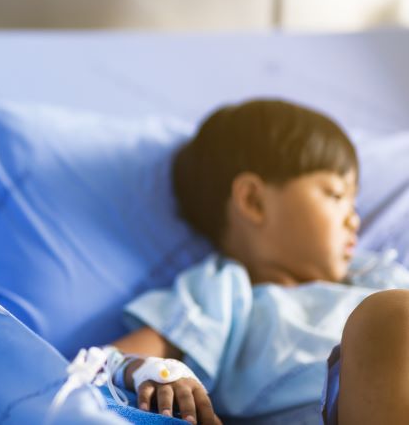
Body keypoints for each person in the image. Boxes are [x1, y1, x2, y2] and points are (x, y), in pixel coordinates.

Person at [108, 100, 409, 425]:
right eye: (336, 195)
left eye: (354, 202)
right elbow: (107, 362)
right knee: (387, 317)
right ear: (253, 201)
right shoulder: (223, 291)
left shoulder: (376, 275)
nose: (355, 220)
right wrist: (154, 371)